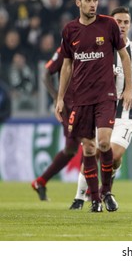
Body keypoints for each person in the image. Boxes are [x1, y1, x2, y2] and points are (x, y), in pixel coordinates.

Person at [55, 0, 132, 212]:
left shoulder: (108, 24)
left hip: (105, 95)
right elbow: (67, 65)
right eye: (88, 0)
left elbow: (124, 57)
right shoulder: (70, 30)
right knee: (88, 149)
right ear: (78, 3)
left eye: (95, 0)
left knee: (104, 142)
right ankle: (96, 200)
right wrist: (60, 98)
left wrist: (128, 88)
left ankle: (106, 191)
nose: (93, 4)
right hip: (80, 98)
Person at [69, 6, 132, 210]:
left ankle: (105, 190)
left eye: (125, 22)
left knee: (113, 155)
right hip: (99, 108)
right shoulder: (99, 47)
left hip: (126, 112)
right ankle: (80, 198)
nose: (122, 26)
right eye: (118, 22)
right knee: (92, 151)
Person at [31, 46, 80, 201]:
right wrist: (56, 96)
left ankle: (41, 181)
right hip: (69, 107)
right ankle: (93, 193)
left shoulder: (93, 43)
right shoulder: (64, 49)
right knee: (86, 143)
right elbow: (46, 74)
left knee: (72, 148)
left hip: (87, 103)